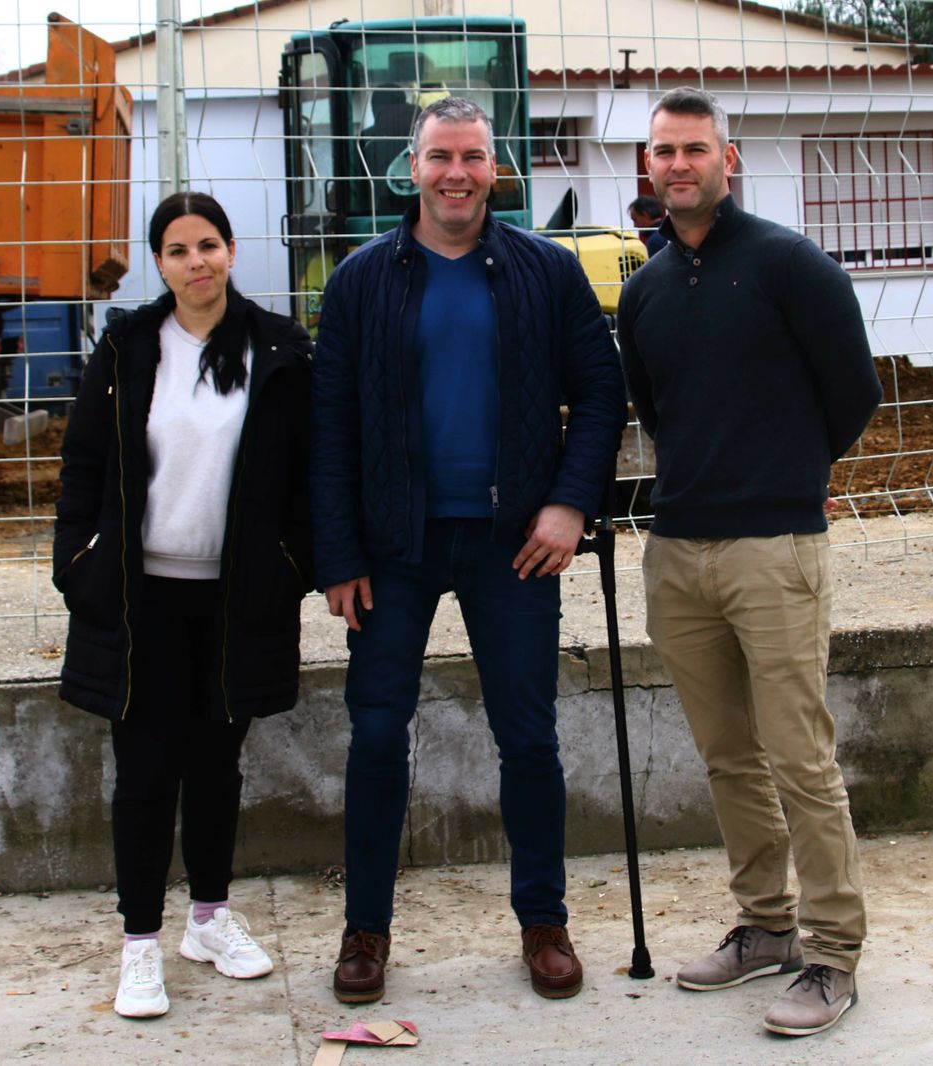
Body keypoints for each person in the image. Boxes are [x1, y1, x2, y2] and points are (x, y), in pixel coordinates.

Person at [310, 96, 626, 1005]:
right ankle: (365, 931)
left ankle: (544, 923)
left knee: (527, 736)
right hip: (392, 548)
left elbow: (599, 394)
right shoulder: (364, 279)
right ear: (412, 167)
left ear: (499, 168)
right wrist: (338, 554)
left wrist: (569, 506)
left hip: (512, 546)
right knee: (376, 734)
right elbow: (328, 426)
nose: (458, 174)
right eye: (441, 157)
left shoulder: (542, 272)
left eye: (474, 158)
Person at [617, 87, 882, 1037]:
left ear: (727, 159)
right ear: (646, 166)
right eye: (663, 151)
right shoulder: (642, 291)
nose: (678, 164)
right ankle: (765, 927)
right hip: (678, 551)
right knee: (729, 757)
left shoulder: (790, 265)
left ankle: (831, 954)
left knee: (800, 755)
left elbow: (853, 393)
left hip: (776, 549)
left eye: (695, 148)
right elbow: (653, 410)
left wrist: (784, 476)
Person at [52, 191, 314, 1019]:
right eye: (177, 250)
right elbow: (84, 464)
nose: (195, 262)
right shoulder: (130, 345)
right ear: (158, 263)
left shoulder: (278, 346)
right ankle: (139, 946)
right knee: (145, 771)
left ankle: (208, 918)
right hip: (141, 600)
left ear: (231, 250)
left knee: (216, 765)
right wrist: (78, 562)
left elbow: (305, 472)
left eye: (208, 245)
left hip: (235, 598)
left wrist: (293, 564)